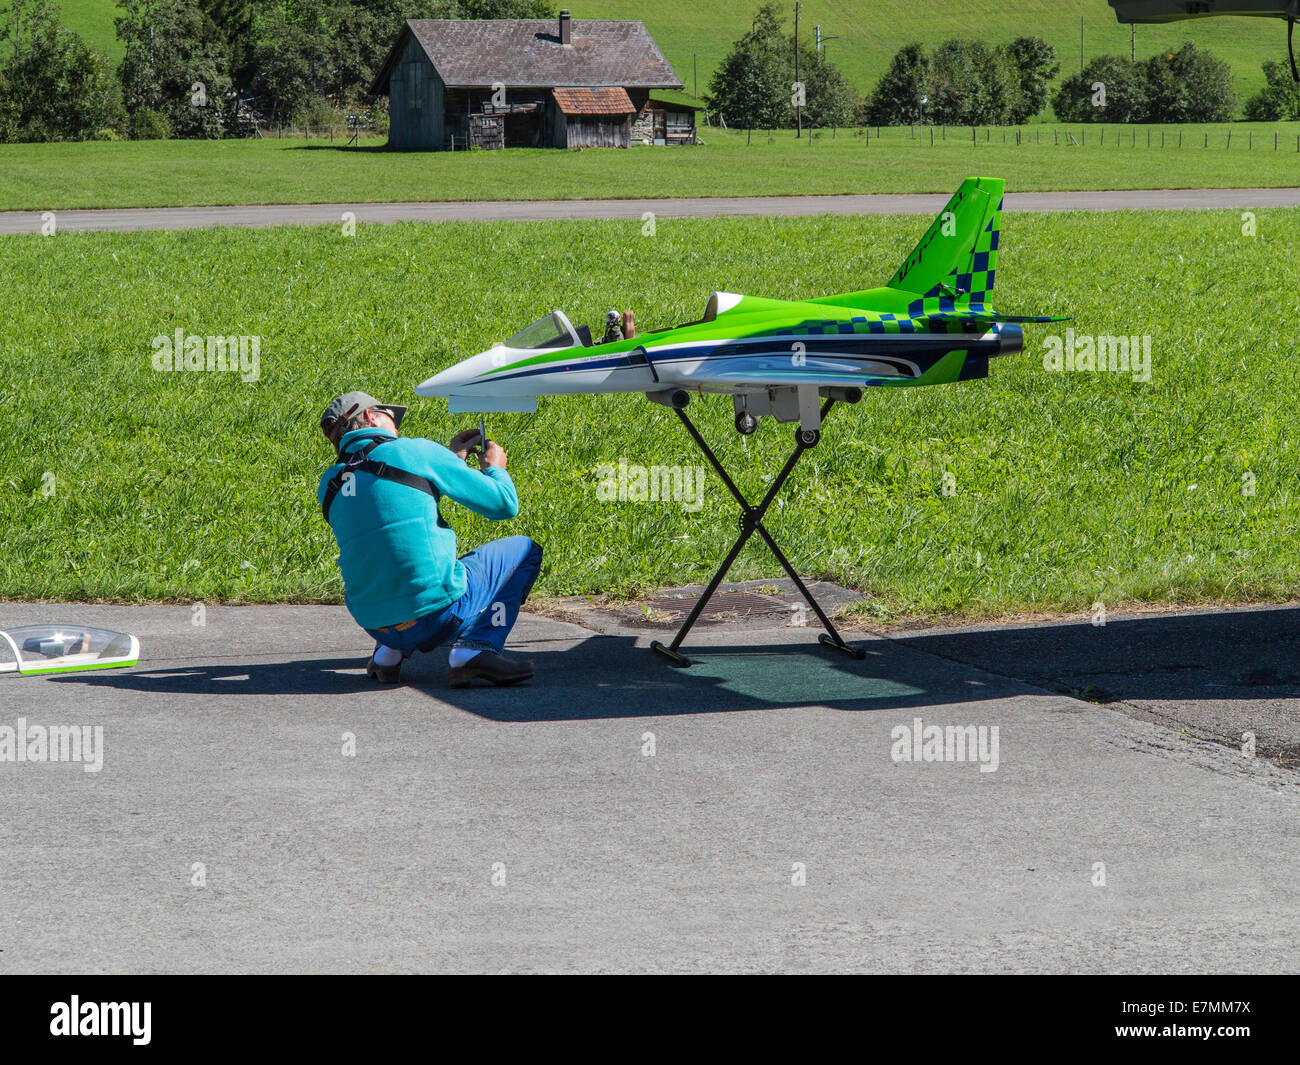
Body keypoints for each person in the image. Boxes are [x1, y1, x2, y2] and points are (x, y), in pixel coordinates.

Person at [317, 391, 542, 687]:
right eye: (389, 415)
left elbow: (392, 510)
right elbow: (503, 505)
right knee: (526, 551)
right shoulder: (415, 451)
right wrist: (494, 468)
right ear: (371, 416)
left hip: (375, 625)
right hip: (437, 615)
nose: (396, 424)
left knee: (382, 554)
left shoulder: (329, 483)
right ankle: (475, 649)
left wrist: (450, 462)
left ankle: (389, 653)